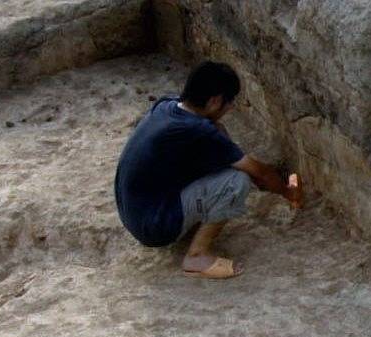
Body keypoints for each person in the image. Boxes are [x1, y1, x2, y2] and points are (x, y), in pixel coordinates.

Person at [113, 61, 302, 279]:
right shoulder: (198, 131)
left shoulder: (168, 105)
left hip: (134, 214)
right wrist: (289, 192)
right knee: (236, 181)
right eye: (229, 102)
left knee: (219, 134)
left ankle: (189, 222)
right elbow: (259, 172)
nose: (231, 108)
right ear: (214, 101)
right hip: (154, 227)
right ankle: (196, 255)